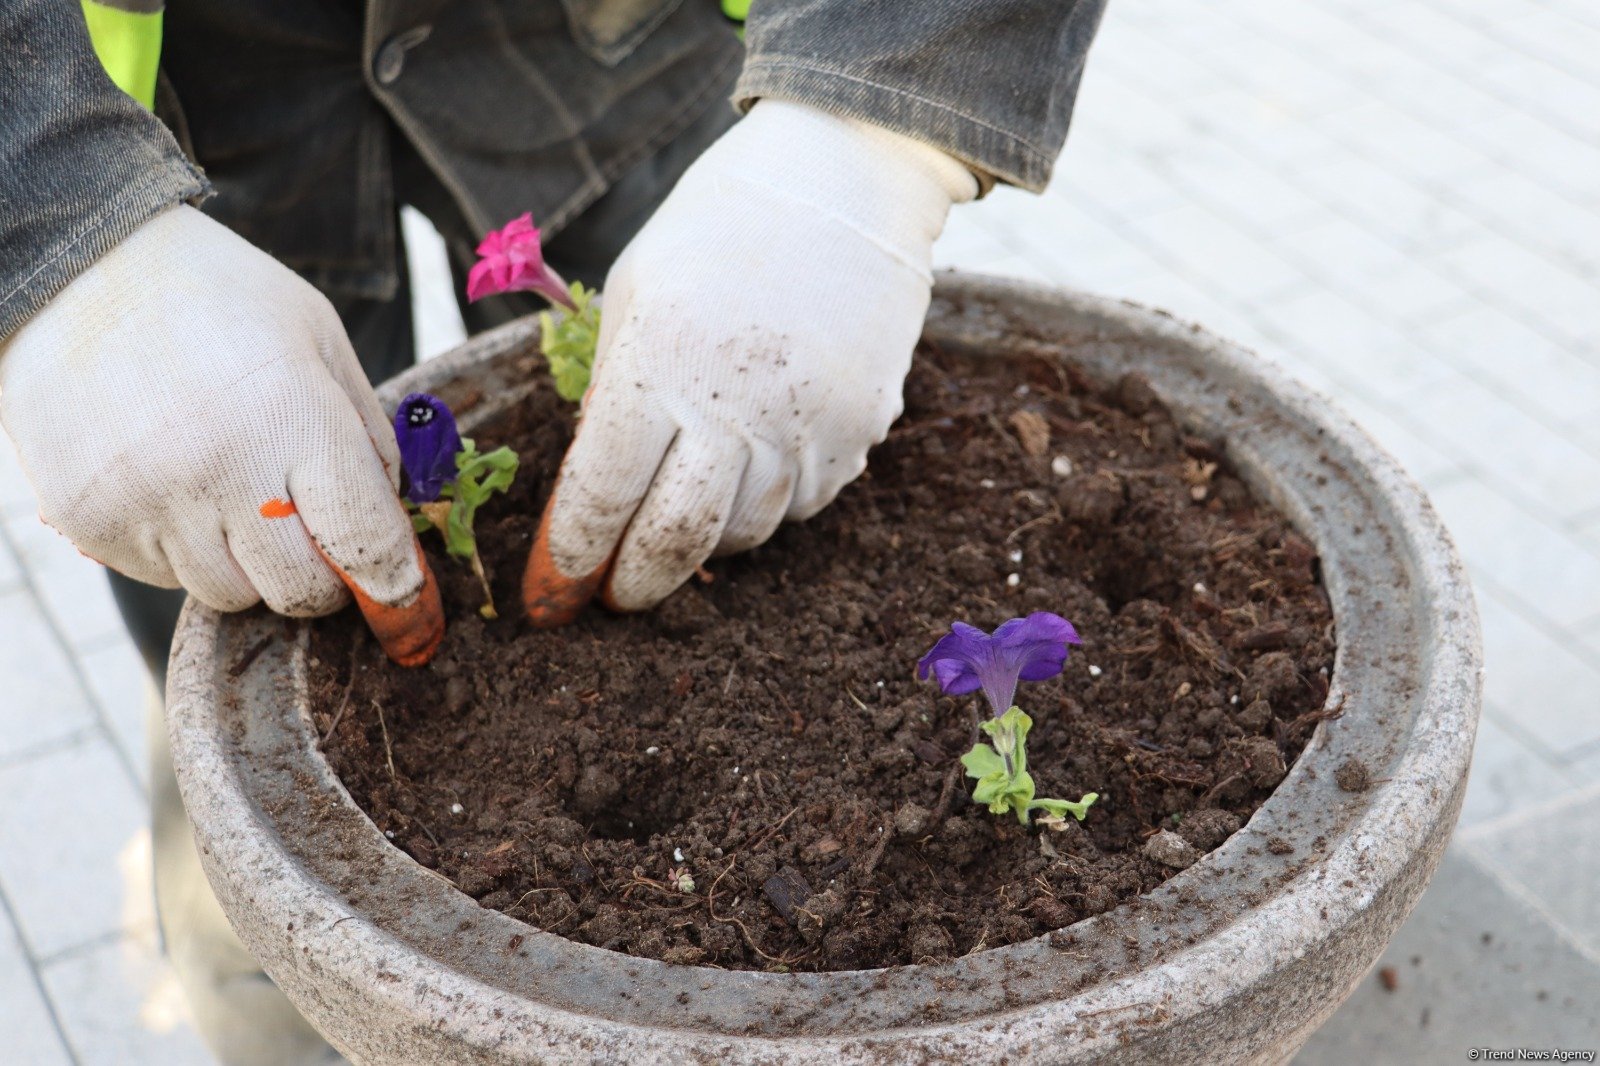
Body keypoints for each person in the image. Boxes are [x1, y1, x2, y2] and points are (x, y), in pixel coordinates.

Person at [0, 0, 1106, 1061]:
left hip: (616, 42)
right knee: (242, 632)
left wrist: (869, 130)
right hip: (166, 95)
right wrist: (57, 229)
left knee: (726, 390)